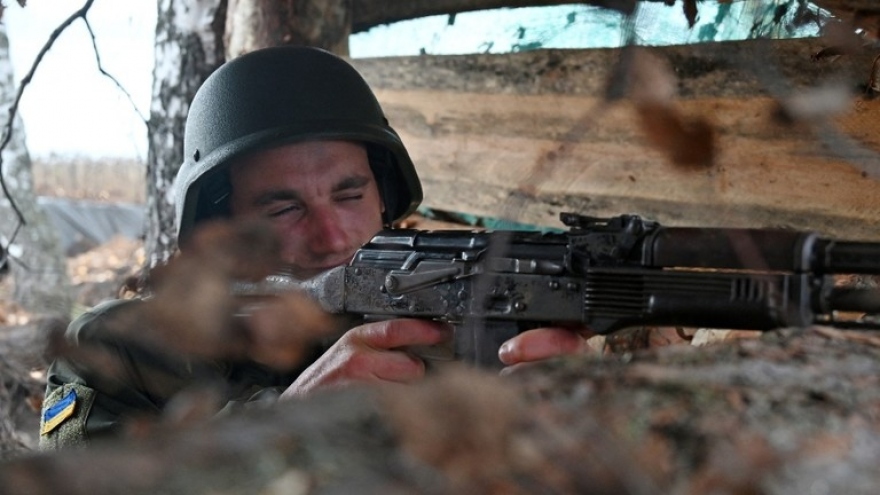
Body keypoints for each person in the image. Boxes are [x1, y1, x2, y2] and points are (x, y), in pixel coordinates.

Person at [39, 46, 594, 449]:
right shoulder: (121, 351)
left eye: (349, 195)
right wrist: (281, 423)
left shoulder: (456, 326)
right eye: (284, 209)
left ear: (384, 195)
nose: (332, 237)